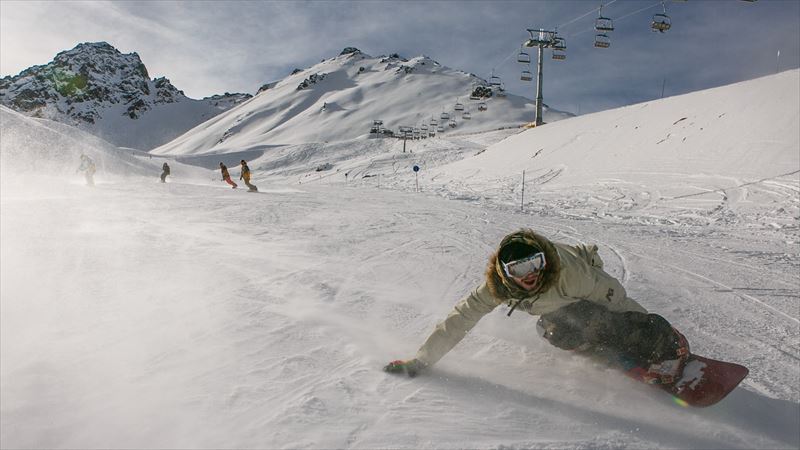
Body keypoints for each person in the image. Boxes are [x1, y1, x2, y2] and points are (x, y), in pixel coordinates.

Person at [384, 229, 689, 384]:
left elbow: (615, 297)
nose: (529, 274)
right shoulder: (496, 289)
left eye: (534, 263)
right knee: (557, 332)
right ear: (505, 273)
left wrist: (643, 329)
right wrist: (422, 360)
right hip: (554, 306)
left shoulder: (569, 273)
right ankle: (592, 342)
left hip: (586, 283)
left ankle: (667, 341)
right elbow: (460, 319)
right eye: (518, 269)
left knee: (608, 322)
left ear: (543, 261)